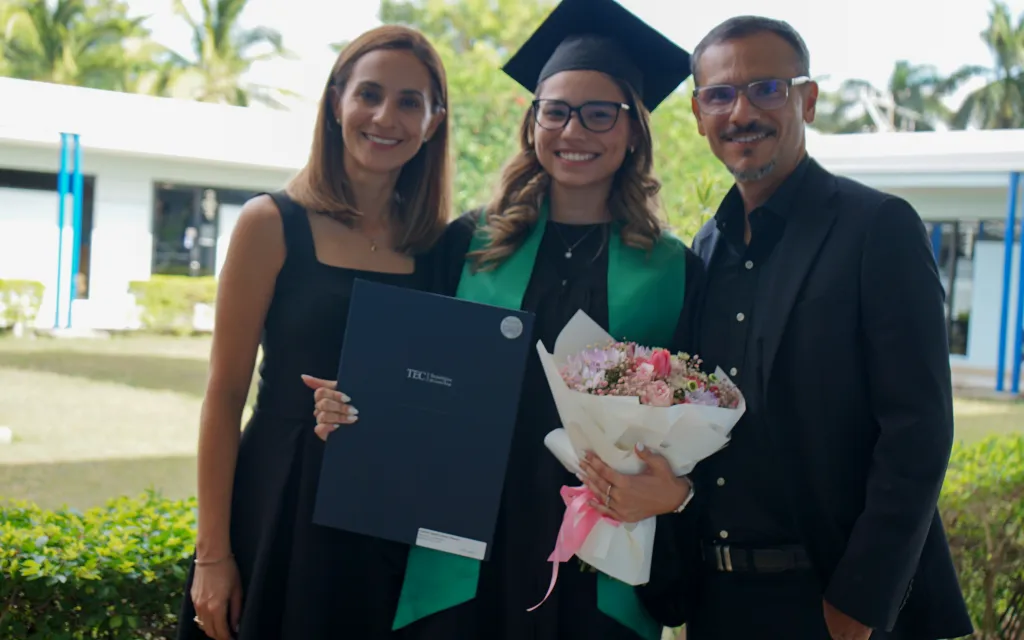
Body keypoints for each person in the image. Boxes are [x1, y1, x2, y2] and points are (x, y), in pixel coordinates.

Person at [309, 0, 704, 637]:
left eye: (600, 113)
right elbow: (407, 376)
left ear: (634, 129)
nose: (574, 131)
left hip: (598, 552)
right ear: (532, 122)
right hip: (465, 547)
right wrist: (353, 403)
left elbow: (692, 419)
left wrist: (675, 493)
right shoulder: (465, 244)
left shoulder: (673, 269)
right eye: (556, 111)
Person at [630, 15, 975, 640]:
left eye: (766, 88)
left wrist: (860, 603)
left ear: (806, 100)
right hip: (723, 603)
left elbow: (918, 431)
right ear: (698, 113)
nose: (742, 112)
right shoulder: (703, 256)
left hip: (835, 604)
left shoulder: (877, 229)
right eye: (720, 95)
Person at [174, 25, 450, 640]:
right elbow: (222, 399)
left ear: (434, 121)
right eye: (369, 94)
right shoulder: (270, 223)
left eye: (411, 101)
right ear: (336, 102)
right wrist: (212, 555)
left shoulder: (439, 246)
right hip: (279, 494)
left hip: (387, 509)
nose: (386, 116)